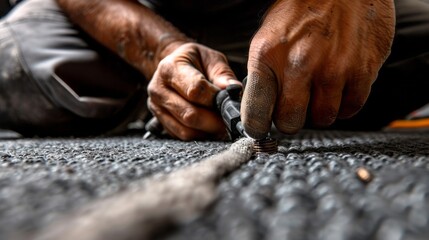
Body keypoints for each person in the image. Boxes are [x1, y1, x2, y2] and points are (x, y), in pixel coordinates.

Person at [0, 0, 428, 140]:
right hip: (142, 9)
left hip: (273, 9)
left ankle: (298, 72)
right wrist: (163, 49)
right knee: (15, 56)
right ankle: (169, 84)